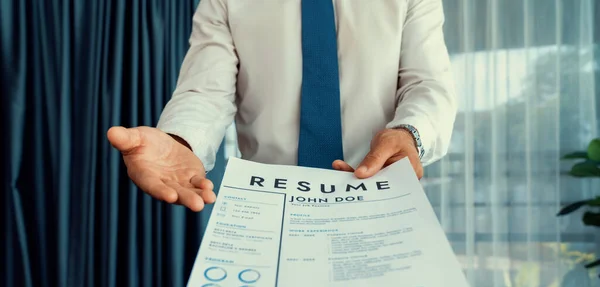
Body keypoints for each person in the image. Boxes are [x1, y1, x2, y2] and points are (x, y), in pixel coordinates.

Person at [107, 0, 457, 212]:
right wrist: (181, 140)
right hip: (269, 213)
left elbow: (427, 83)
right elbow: (206, 90)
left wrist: (410, 134)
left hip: (381, 199)